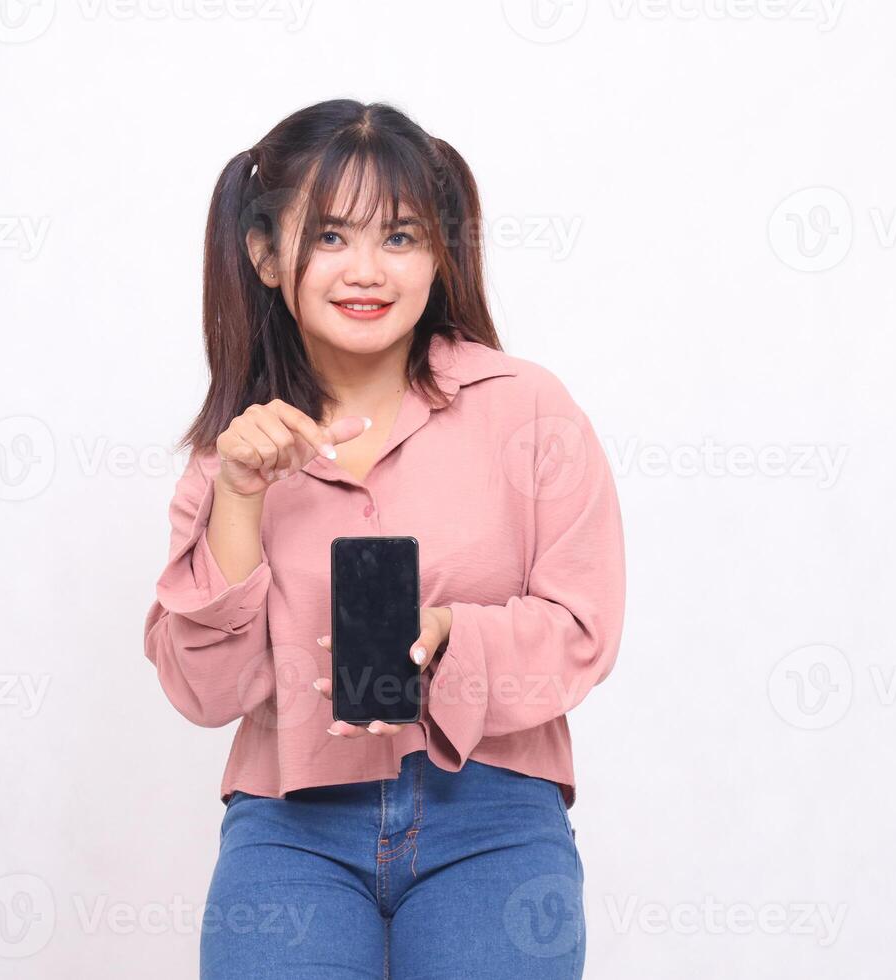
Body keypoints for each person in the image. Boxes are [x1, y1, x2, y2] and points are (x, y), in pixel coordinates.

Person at [143, 98, 626, 979]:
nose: (366, 270)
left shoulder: (527, 408)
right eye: (329, 237)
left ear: (441, 255)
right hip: (292, 827)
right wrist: (242, 498)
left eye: (399, 238)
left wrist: (454, 636)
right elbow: (205, 691)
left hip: (493, 817)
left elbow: (583, 629)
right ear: (262, 252)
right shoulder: (232, 454)